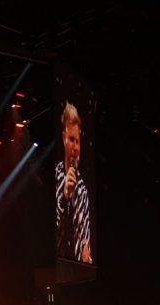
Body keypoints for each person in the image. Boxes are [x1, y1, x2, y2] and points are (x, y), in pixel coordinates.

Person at [55, 101, 92, 264]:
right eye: (71, 139)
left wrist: (86, 250)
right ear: (64, 139)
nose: (76, 147)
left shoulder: (83, 189)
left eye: (78, 141)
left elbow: (85, 236)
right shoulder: (55, 176)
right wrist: (65, 196)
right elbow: (56, 231)